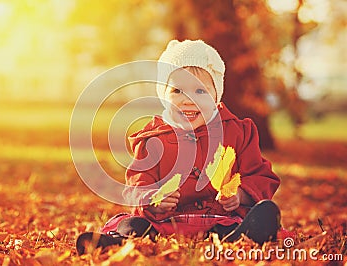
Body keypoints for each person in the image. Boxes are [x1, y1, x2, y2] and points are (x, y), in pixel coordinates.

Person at [76, 39, 281, 255]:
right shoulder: (154, 138)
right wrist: (153, 199)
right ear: (163, 96)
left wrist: (239, 195)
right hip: (165, 222)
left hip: (221, 220)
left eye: (200, 91)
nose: (187, 100)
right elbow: (137, 182)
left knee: (251, 217)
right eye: (177, 91)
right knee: (133, 225)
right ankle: (115, 243)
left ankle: (244, 236)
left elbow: (261, 176)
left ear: (215, 95)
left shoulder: (237, 132)